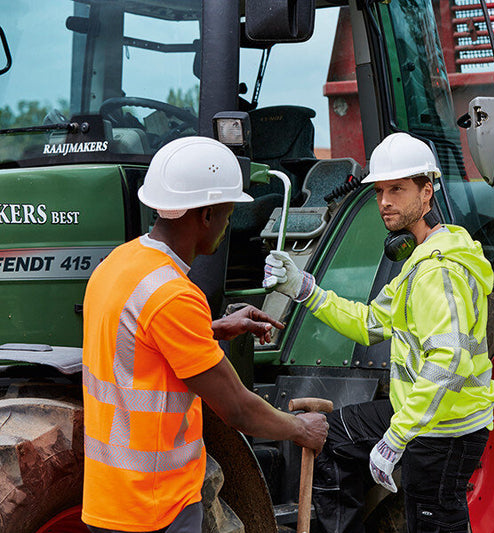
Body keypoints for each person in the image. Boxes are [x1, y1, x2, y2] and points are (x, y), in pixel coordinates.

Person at [81, 136, 328, 533]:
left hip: (108, 501)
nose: (227, 226)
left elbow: (136, 345)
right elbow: (237, 409)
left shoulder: (118, 264)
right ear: (207, 215)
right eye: (228, 216)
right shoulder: (174, 295)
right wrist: (302, 429)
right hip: (157, 508)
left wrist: (211, 329)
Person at [263, 132, 494, 532]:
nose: (385, 201)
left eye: (397, 189)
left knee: (435, 523)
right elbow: (369, 323)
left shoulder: (438, 271)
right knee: (333, 437)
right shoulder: (418, 261)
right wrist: (304, 290)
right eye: (379, 192)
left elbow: (448, 362)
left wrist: (395, 437)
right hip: (419, 413)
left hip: (444, 428)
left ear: (427, 193)